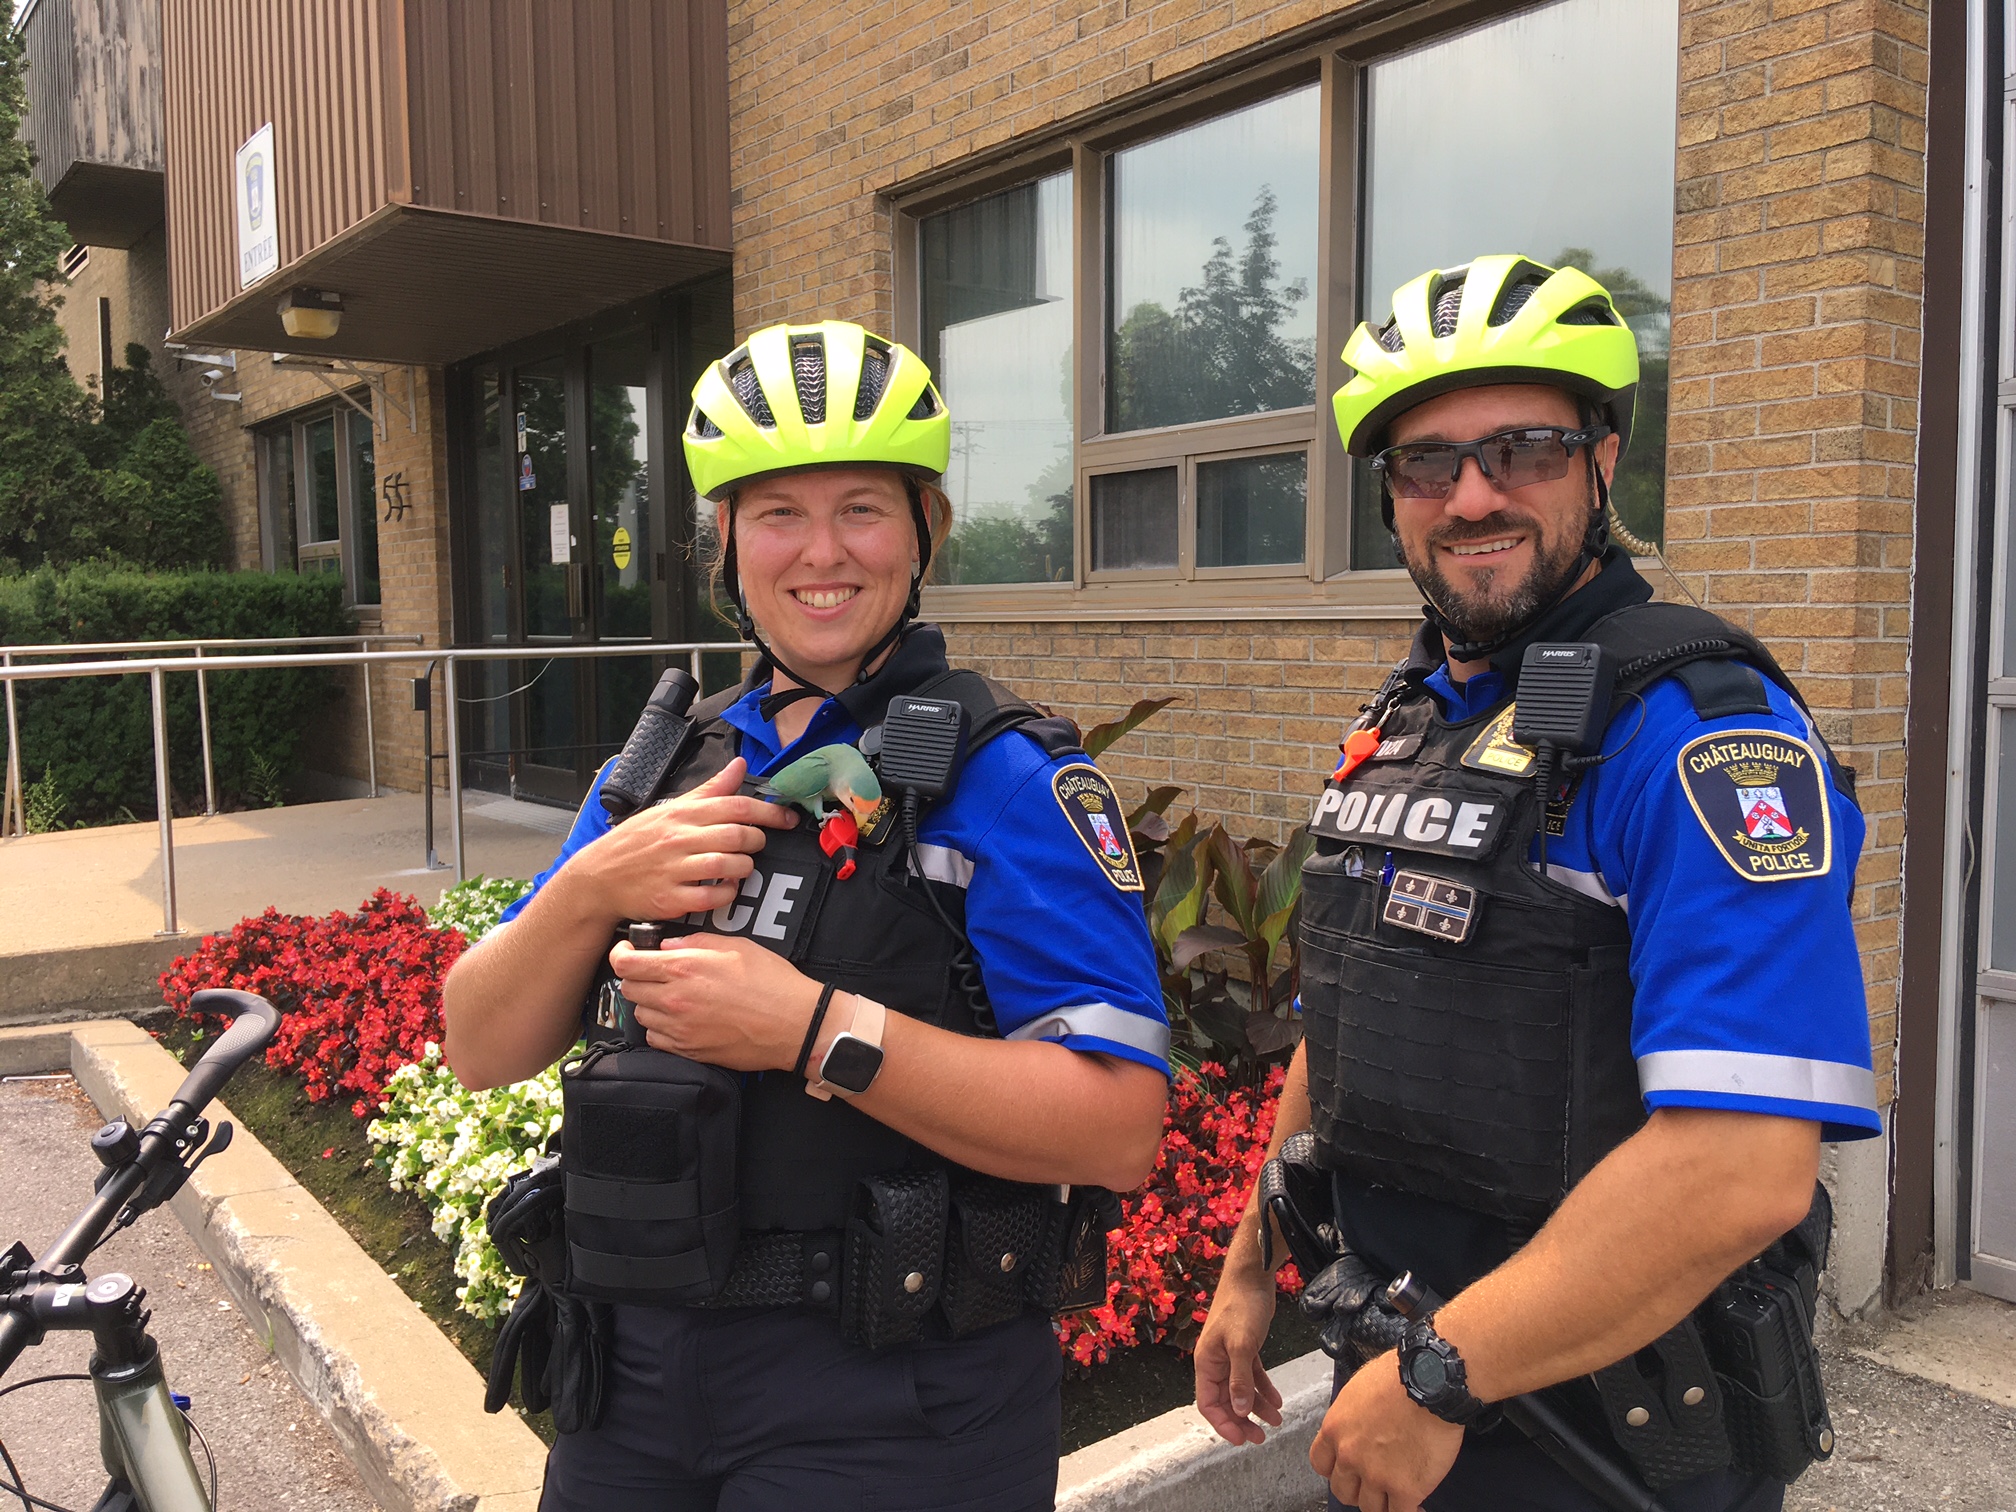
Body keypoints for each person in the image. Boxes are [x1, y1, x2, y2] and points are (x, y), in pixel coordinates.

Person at [443, 320, 1170, 1511]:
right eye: (776, 511)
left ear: (924, 531)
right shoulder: (668, 763)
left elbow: (1117, 1128)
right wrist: (589, 887)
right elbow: (480, 1047)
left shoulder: (1005, 776)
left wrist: (811, 1029)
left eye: (862, 510)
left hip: (893, 1403)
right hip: (628, 1387)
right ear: (722, 540)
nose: (820, 553)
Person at [1192, 255, 1880, 1512]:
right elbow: (1344, 1021)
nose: (1472, 495)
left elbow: (1744, 1162)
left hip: (1603, 1446)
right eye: (1426, 464)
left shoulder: (1696, 735)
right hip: (1411, 1398)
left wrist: (1440, 1381)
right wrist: (1251, 1266)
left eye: (1523, 448)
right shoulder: (1409, 719)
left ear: (1602, 460)